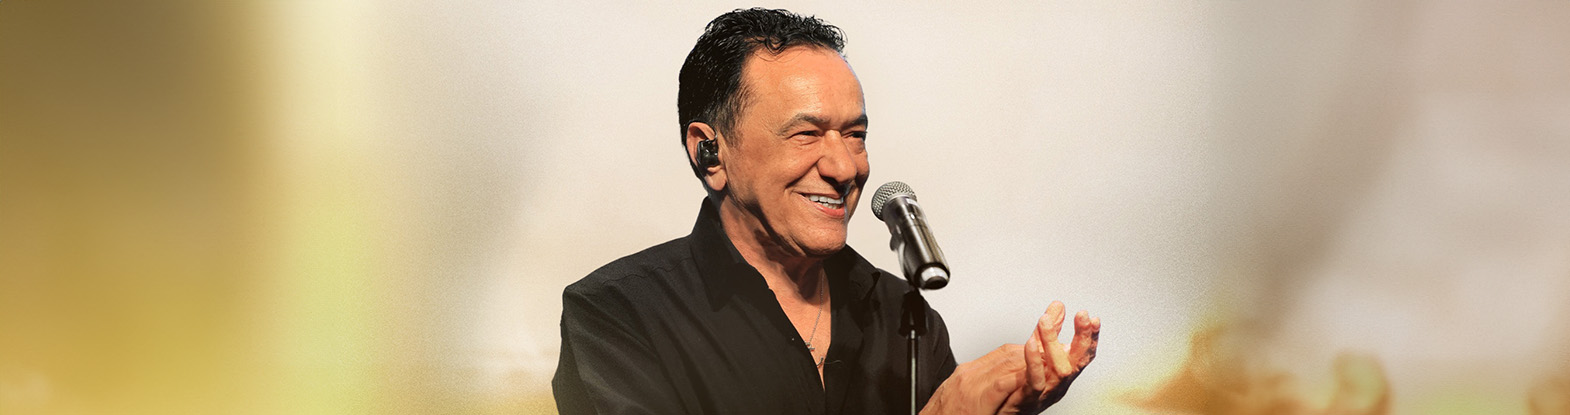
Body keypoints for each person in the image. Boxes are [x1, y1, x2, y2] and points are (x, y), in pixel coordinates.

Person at [553, 8, 1101, 415]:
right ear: (710, 152)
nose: (844, 167)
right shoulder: (617, 315)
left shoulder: (905, 318)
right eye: (806, 133)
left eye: (855, 134)